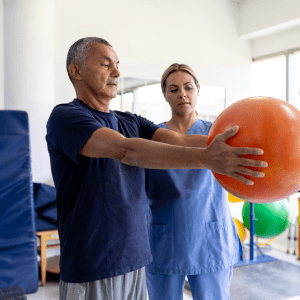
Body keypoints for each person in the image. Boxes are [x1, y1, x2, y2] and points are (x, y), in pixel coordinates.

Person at [46, 37, 267, 300]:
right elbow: (125, 151)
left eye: (117, 65)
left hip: (135, 260)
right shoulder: (66, 117)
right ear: (76, 71)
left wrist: (251, 145)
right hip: (94, 264)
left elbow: (182, 140)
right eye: (106, 65)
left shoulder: (130, 120)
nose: (117, 72)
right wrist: (208, 158)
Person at [145, 63, 242, 300]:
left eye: (188, 87)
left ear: (198, 89)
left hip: (210, 235)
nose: (182, 95)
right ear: (165, 94)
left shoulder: (218, 135)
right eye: (174, 89)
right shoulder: (153, 137)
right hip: (166, 236)